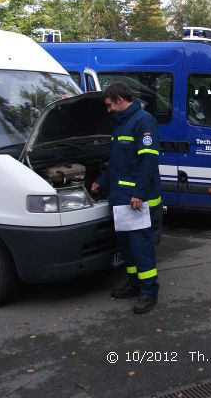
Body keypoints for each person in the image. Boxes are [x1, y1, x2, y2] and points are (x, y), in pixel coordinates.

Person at [91, 81, 161, 314]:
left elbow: (148, 162)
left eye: (110, 105)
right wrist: (101, 181)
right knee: (126, 247)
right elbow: (118, 164)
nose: (108, 110)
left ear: (120, 100)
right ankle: (133, 284)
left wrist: (138, 193)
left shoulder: (143, 121)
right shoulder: (121, 125)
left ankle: (149, 291)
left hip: (137, 201)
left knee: (140, 247)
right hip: (121, 200)